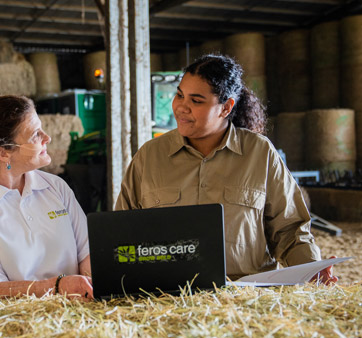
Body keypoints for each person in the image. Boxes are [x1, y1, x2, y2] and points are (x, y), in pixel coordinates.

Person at [115, 54, 337, 284]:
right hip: (168, 297)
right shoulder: (149, 157)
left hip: (248, 299)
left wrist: (312, 270)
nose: (181, 107)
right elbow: (122, 233)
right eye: (179, 95)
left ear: (226, 107)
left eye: (196, 100)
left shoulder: (259, 154)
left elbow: (289, 231)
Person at [0, 95, 93, 299]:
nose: (47, 138)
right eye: (35, 135)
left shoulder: (56, 187)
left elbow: (87, 253)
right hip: (15, 322)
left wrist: (88, 290)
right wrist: (58, 288)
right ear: (3, 153)